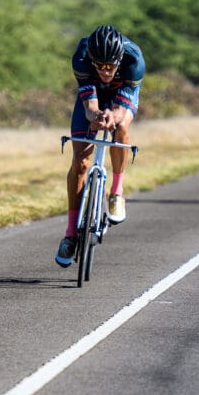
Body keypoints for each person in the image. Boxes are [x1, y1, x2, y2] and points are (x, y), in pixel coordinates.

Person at [55, 25, 145, 268]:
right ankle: (71, 233)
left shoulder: (134, 60)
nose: (105, 71)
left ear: (119, 60)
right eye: (100, 66)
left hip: (121, 97)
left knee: (122, 126)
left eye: (110, 67)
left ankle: (116, 191)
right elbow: (89, 107)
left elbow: (119, 111)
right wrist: (95, 115)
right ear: (92, 60)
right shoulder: (82, 57)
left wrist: (111, 117)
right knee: (81, 162)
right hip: (93, 97)